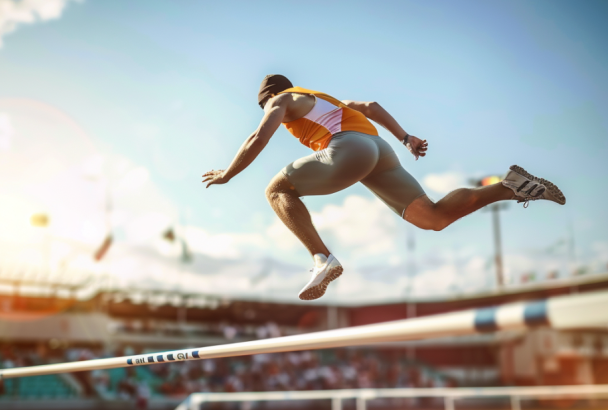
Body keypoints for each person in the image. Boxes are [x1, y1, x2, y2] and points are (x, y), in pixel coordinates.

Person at [203, 74, 565, 300]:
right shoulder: (326, 100)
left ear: (269, 98)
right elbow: (371, 105)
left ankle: (321, 258)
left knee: (276, 190)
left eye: (266, 107)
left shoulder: (281, 99)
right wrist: (406, 138)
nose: (271, 114)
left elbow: (257, 137)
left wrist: (229, 174)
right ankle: (511, 187)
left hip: (349, 148)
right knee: (432, 217)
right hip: (380, 152)